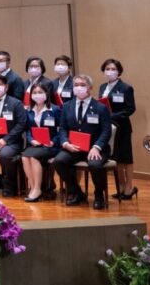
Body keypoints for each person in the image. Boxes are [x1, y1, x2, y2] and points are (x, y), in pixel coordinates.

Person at [54, 74, 112, 209]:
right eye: (76, 85)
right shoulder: (67, 106)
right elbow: (62, 128)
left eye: (82, 85)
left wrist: (97, 147)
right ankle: (77, 192)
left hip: (95, 147)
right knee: (59, 161)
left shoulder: (100, 107)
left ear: (90, 88)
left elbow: (106, 131)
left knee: (95, 165)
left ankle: (99, 196)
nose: (79, 88)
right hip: (74, 147)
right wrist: (65, 143)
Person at [99, 58, 137, 200]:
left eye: (113, 69)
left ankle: (129, 187)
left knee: (126, 158)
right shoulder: (103, 87)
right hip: (108, 127)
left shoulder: (126, 88)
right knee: (116, 158)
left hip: (122, 126)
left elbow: (131, 108)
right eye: (107, 69)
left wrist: (113, 115)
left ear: (119, 71)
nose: (110, 72)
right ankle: (120, 186)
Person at [20, 83, 60, 202]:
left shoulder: (55, 109)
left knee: (33, 157)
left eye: (40, 92)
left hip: (51, 145)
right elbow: (27, 129)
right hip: (36, 144)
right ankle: (33, 187)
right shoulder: (29, 110)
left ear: (46, 94)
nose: (38, 95)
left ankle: (37, 189)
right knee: (24, 157)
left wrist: (53, 142)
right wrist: (31, 139)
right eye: (35, 93)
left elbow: (61, 130)